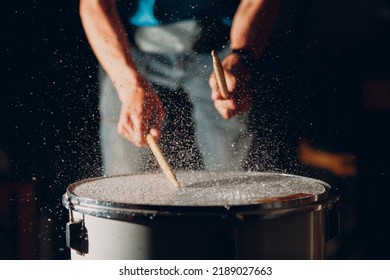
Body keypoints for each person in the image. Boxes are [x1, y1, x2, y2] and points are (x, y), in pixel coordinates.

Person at [79, 0, 280, 175]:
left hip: (222, 42)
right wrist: (129, 85)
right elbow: (94, 4)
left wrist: (242, 56)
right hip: (131, 48)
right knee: (123, 170)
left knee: (234, 170)